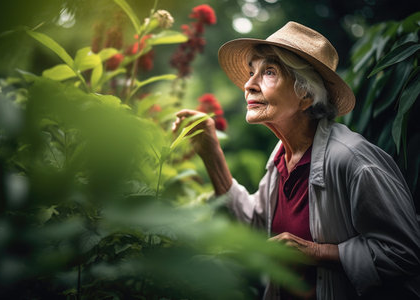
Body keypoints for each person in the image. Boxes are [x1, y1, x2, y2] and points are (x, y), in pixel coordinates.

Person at [173, 21, 420, 299]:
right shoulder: (282, 156)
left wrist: (316, 252)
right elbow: (254, 225)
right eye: (251, 71)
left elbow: (405, 253)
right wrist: (210, 152)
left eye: (268, 72)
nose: (248, 84)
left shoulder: (353, 160)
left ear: (305, 95)